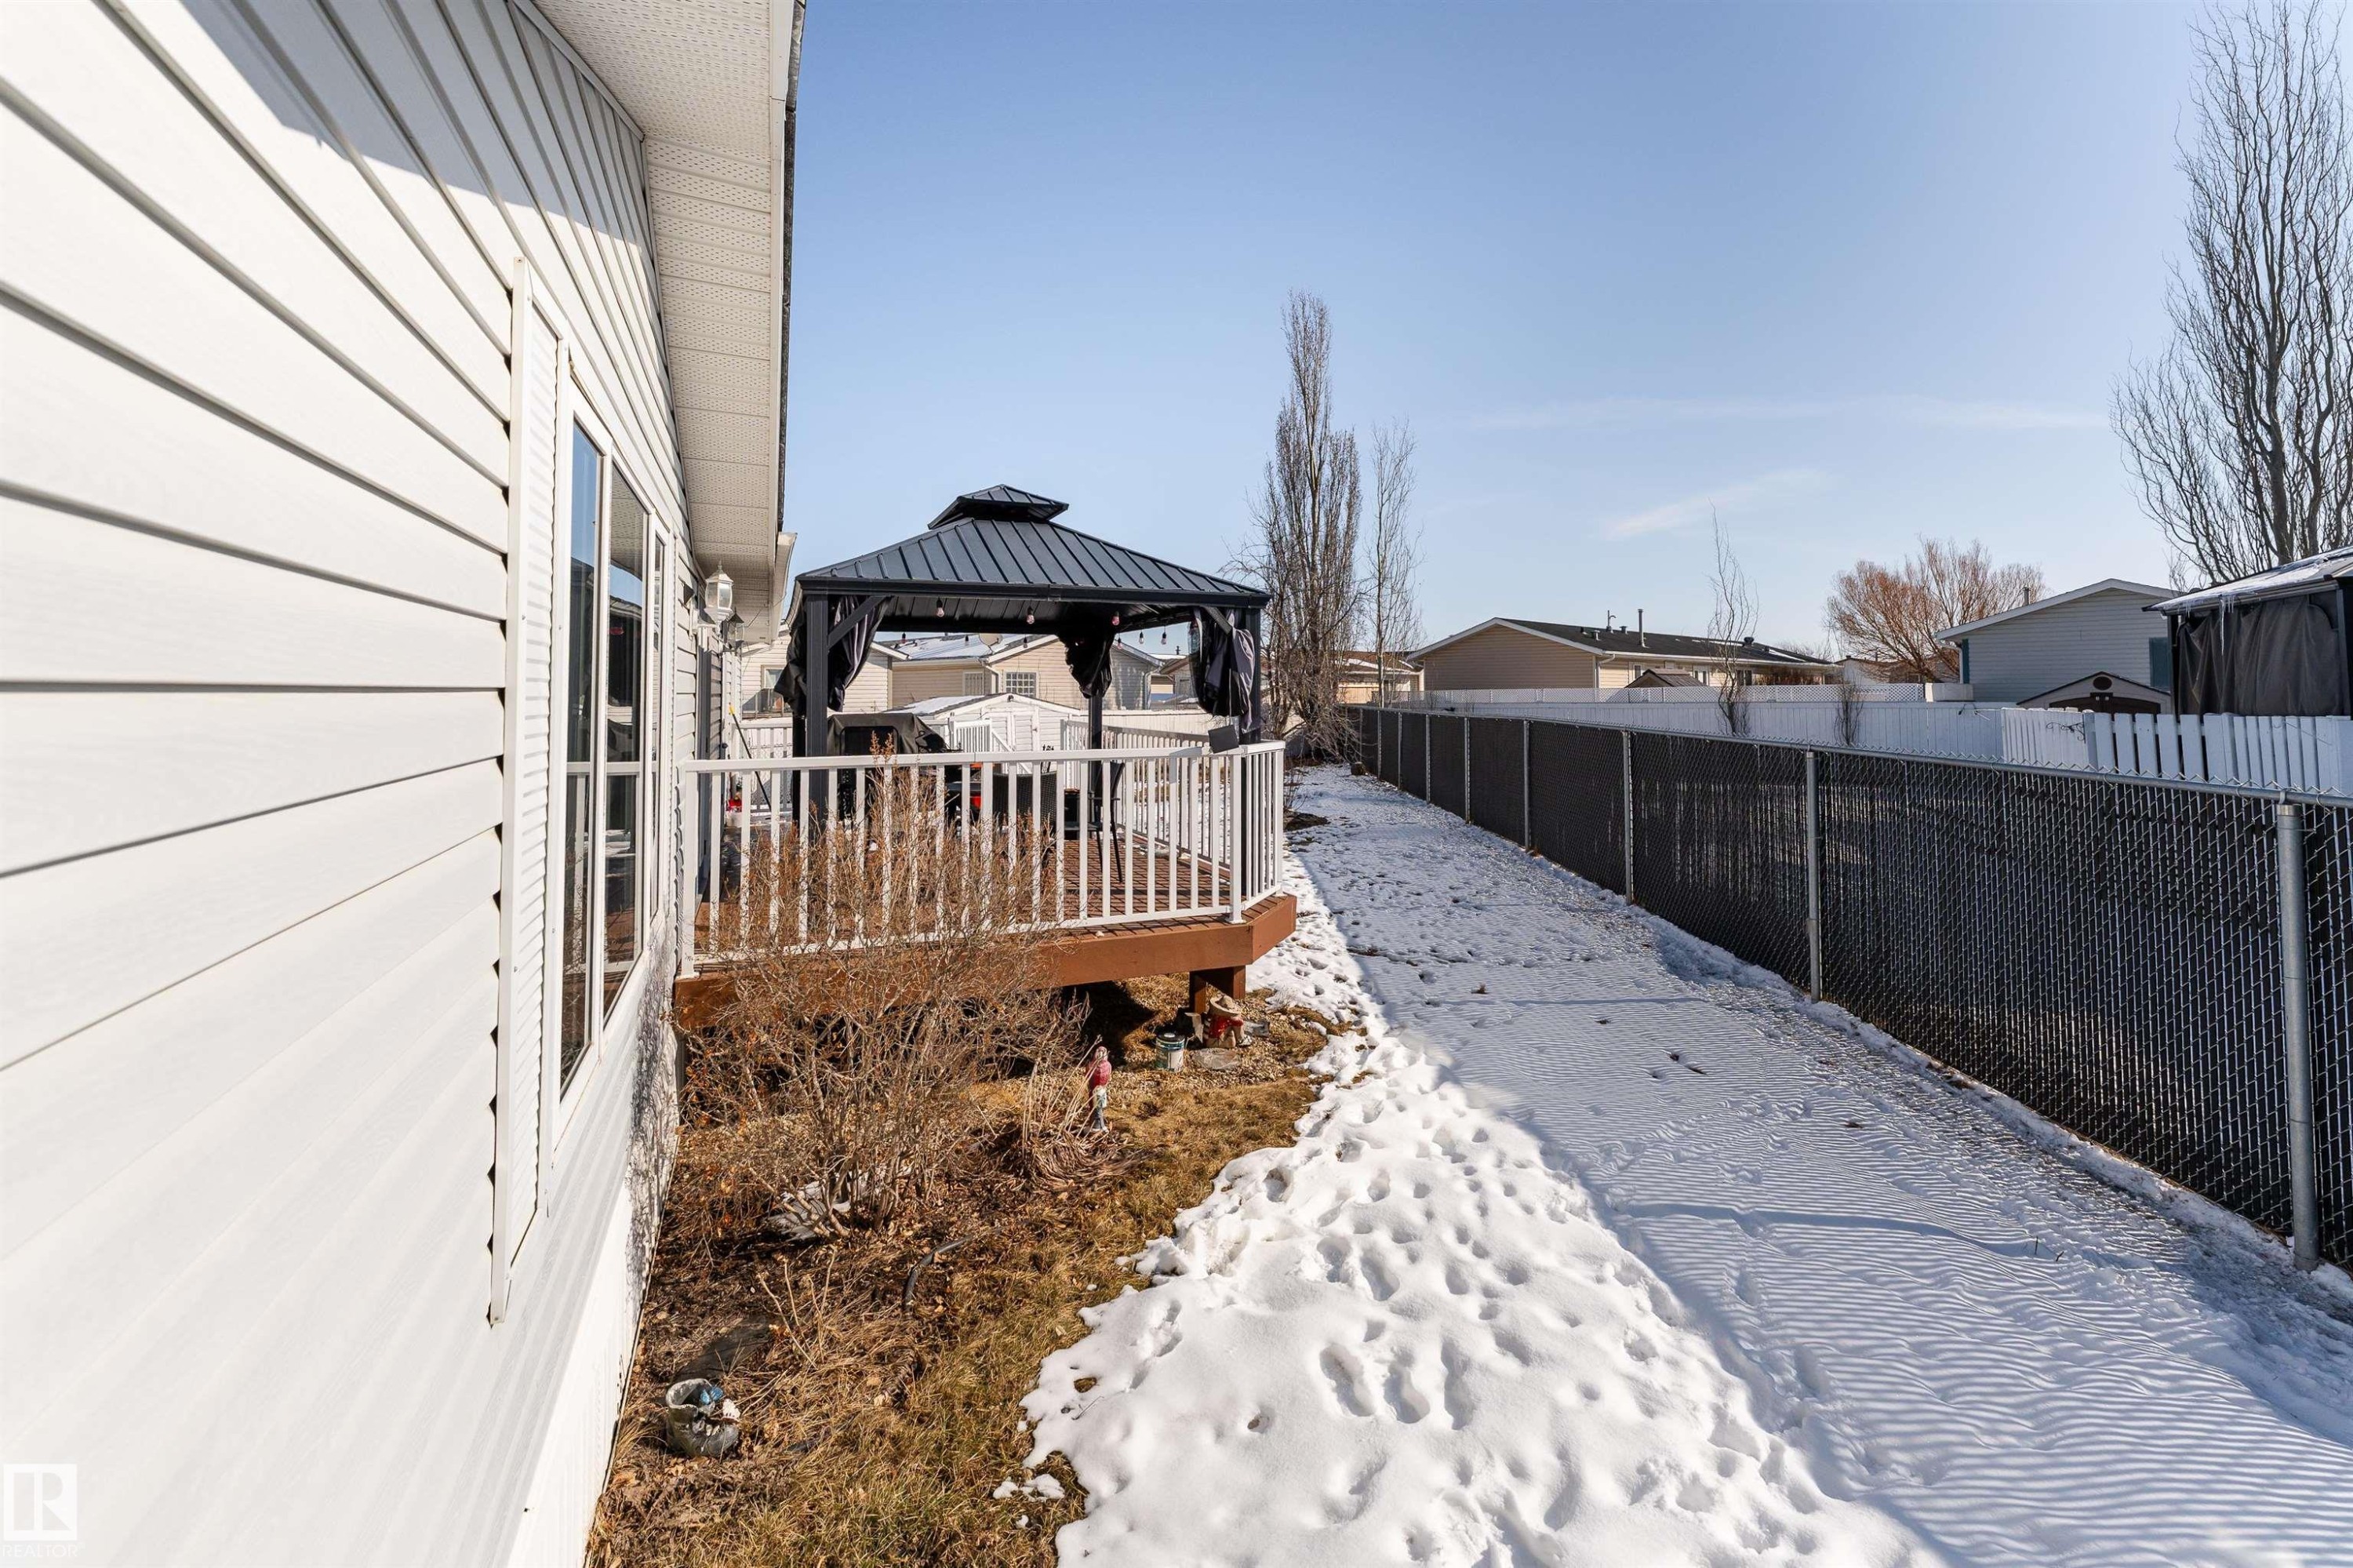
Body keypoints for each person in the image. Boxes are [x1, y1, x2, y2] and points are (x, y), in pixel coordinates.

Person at [1084, 1045, 1111, 1135]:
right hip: (1093, 1090)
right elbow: (1087, 1077)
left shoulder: (1108, 1066)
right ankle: (1092, 1125)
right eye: (1098, 1052)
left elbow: (1108, 1077)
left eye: (1102, 1052)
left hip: (1101, 1090)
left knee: (1100, 1107)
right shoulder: (1091, 1065)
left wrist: (1103, 1087)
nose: (1100, 1054)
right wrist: (1092, 1088)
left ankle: (1100, 1125)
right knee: (1093, 1107)